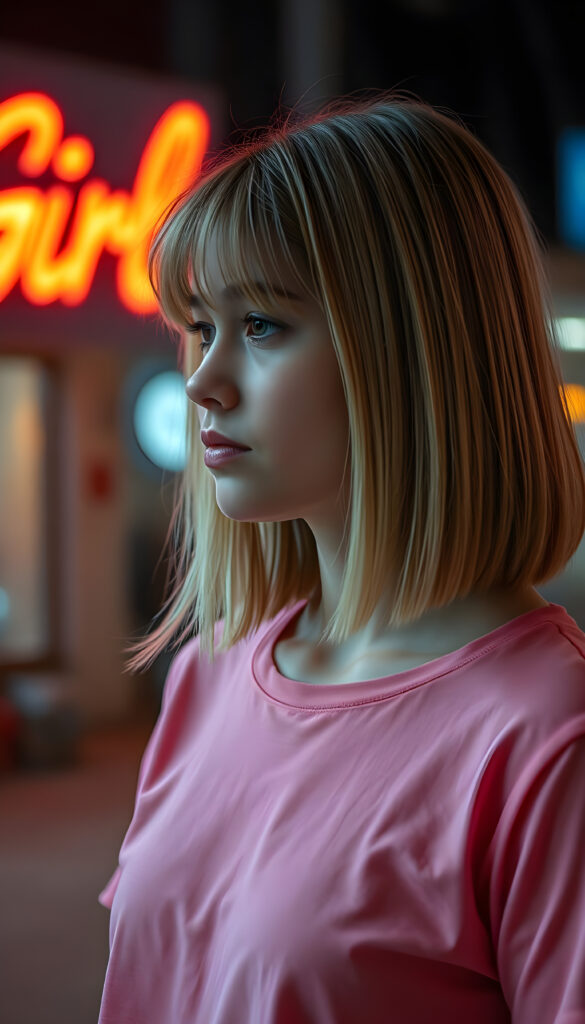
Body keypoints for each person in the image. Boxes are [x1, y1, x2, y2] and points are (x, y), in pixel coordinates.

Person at [98, 94, 585, 1023]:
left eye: (261, 325)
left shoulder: (543, 734)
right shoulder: (207, 674)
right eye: (201, 327)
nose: (201, 381)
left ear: (410, 350)